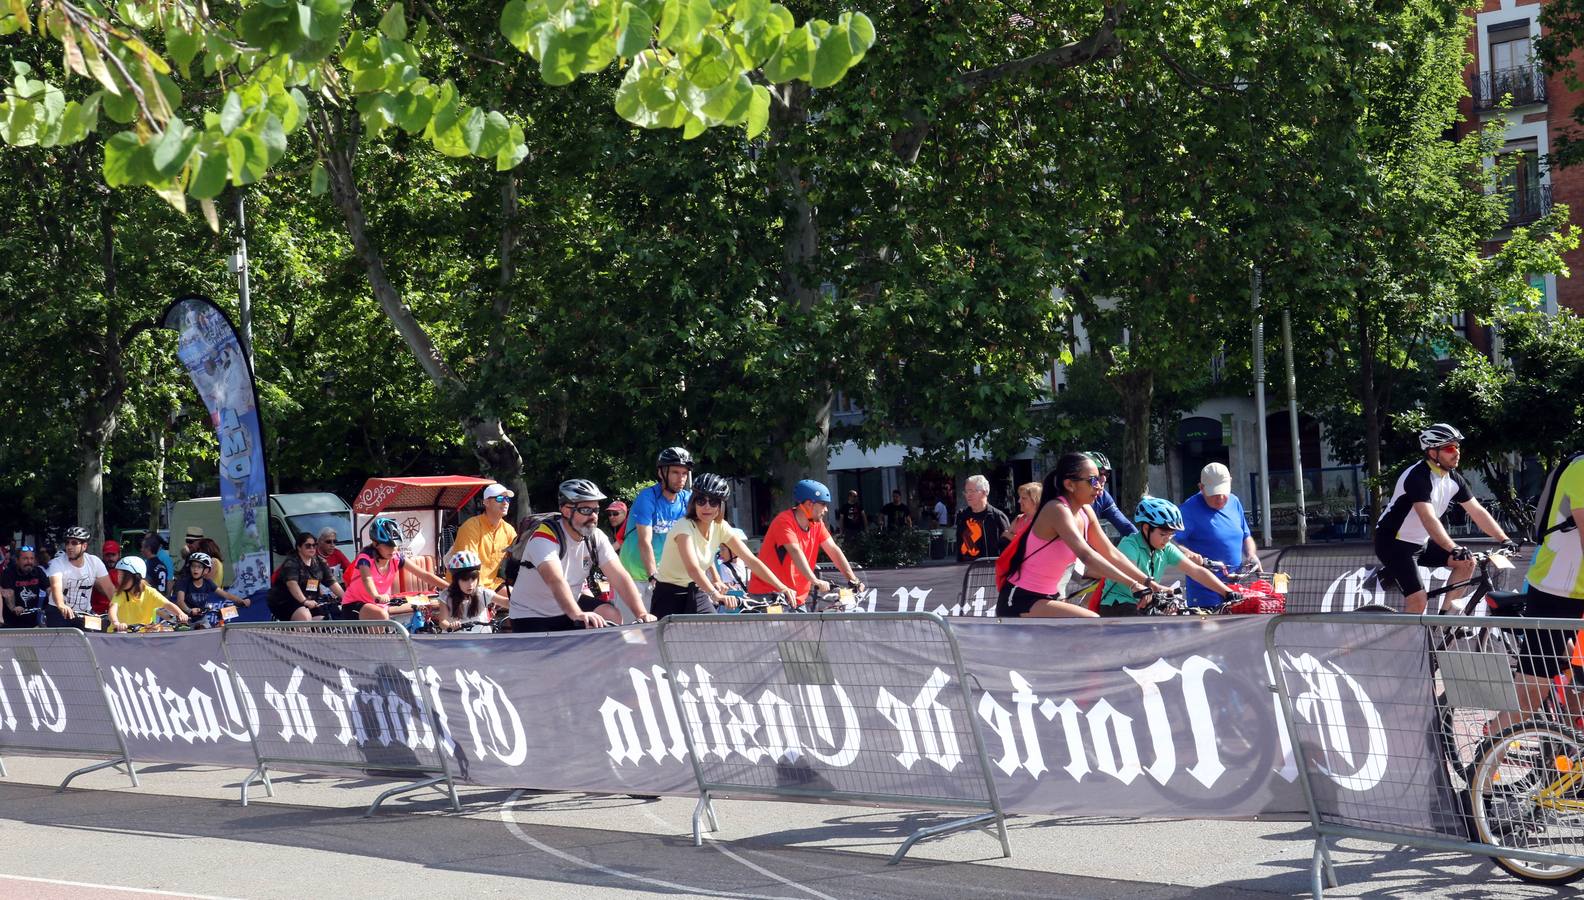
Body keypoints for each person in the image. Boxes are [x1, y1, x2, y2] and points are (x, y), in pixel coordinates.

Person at [1374, 424, 1516, 614]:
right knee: (1418, 600)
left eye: (1457, 447)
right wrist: (1453, 548)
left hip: (1420, 542)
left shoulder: (1454, 479)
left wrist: (1504, 539)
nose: (1456, 452)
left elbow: (1477, 511)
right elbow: (1428, 519)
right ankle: (1407, 643)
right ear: (1432, 452)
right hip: (1393, 542)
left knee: (1467, 562)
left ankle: (1445, 618)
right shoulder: (1417, 477)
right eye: (1450, 448)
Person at [997, 453, 1159, 619]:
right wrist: (1132, 584)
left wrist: (1150, 583)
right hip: (1021, 599)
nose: (1099, 486)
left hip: (1051, 596)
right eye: (1093, 480)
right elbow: (1087, 555)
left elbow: (1111, 553)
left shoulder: (1086, 511)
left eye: (1102, 478)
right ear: (1070, 485)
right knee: (1092, 622)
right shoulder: (1057, 509)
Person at [1497, 451, 1584, 732]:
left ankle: (1569, 759)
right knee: (1528, 699)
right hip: (1556, 592)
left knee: (1578, 685)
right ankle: (1485, 759)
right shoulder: (1581, 470)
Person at [509, 479, 654, 632]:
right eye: (586, 510)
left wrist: (642, 613)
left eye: (596, 510)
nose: (593, 516)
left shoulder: (595, 537)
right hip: (531, 615)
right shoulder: (544, 537)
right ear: (566, 510)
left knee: (610, 614)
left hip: (568, 606)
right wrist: (577, 614)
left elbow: (619, 576)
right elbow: (555, 580)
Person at [653, 473, 796, 616]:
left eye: (714, 502)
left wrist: (782, 587)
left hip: (695, 590)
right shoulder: (684, 527)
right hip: (668, 594)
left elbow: (751, 561)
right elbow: (693, 569)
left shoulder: (720, 526)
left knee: (715, 634)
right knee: (667, 638)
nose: (707, 507)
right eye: (701, 500)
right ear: (693, 503)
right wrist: (715, 594)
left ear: (721, 506)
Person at [1098, 498, 1241, 617]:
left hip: (1146, 604)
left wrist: (1226, 592)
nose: (1167, 539)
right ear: (1146, 528)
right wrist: (1152, 586)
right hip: (1118, 604)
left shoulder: (1165, 548)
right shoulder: (1129, 544)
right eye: (1163, 534)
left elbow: (1195, 571)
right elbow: (1128, 570)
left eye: (1171, 534)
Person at [749, 480, 866, 605]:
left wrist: (853, 580)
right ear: (809, 504)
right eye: (823, 504)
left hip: (795, 598)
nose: (826, 509)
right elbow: (795, 551)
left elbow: (833, 549)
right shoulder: (784, 521)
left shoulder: (816, 524)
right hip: (767, 595)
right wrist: (814, 580)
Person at [1177, 462, 1262, 609]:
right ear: (1201, 488)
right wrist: (1188, 553)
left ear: (1230, 481)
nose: (1220, 498)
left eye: (1224, 492)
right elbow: (1169, 542)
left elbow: (1245, 535)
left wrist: (1251, 554)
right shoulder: (1188, 510)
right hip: (1205, 594)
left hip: (1237, 588)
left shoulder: (1234, 502)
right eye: (1214, 494)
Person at [341, 516, 448, 621]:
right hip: (355, 604)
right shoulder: (365, 557)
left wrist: (451, 587)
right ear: (375, 543)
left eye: (396, 545)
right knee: (381, 616)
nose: (393, 549)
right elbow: (367, 579)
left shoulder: (396, 558)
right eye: (388, 545)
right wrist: (376, 595)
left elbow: (424, 575)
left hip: (379, 605)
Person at [620, 447, 694, 594]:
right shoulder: (647, 497)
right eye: (675, 472)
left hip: (665, 575)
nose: (681, 478)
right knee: (640, 618)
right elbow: (644, 541)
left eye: (684, 473)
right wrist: (653, 575)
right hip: (634, 575)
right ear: (661, 472)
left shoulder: (687, 499)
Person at [451, 483, 518, 595]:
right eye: (500, 498)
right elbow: (467, 568)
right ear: (486, 502)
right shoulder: (471, 526)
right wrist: (494, 599)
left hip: (491, 584)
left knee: (523, 600)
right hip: (465, 586)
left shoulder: (509, 530)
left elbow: (520, 556)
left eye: (507, 498)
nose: (505, 502)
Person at [46, 526, 114, 628]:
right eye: (67, 542)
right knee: (64, 642)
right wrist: (61, 605)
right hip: (59, 612)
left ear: (84, 546)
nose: (69, 547)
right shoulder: (57, 563)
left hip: (84, 613)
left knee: (97, 634)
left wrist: (119, 607)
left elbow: (109, 589)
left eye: (74, 543)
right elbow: (56, 587)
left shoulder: (94, 562)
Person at [267, 532, 345, 621]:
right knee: (305, 616)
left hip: (311, 601)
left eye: (314, 545)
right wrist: (304, 601)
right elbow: (292, 584)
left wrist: (346, 598)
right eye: (308, 546)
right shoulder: (291, 563)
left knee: (326, 619)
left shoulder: (320, 562)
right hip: (286, 601)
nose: (312, 548)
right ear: (299, 547)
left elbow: (332, 582)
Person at [107, 557, 188, 632]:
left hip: (143, 637)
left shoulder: (150, 592)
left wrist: (181, 614)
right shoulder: (120, 593)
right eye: (118, 575)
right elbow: (113, 609)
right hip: (120, 635)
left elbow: (167, 604)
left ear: (137, 577)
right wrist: (116, 623)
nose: (119, 579)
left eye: (123, 576)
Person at [432, 549, 505, 632]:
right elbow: (442, 622)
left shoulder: (483, 593)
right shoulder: (446, 596)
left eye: (473, 579)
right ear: (456, 581)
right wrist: (450, 626)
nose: (470, 584)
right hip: (456, 642)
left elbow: (508, 603)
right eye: (465, 580)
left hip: (482, 641)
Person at [175, 551, 248, 627]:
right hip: (185, 620)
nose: (195, 569)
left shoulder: (208, 582)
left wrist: (242, 601)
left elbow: (226, 595)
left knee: (211, 630)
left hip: (202, 619)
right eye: (193, 566)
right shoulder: (184, 582)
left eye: (199, 567)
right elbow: (180, 601)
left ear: (206, 570)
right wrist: (189, 610)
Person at [956, 475, 1012, 561]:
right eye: (966, 491)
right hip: (966, 569)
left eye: (972, 491)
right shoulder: (962, 517)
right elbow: (959, 548)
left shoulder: (997, 517)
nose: (968, 495)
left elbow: (1008, 548)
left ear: (984, 492)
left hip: (991, 570)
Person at [1085, 452, 1139, 540]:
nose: (1104, 479)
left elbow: (1126, 526)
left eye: (1106, 474)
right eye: (1098, 474)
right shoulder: (1064, 503)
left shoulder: (1103, 497)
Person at [1, 545, 49, 628]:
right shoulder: (9, 573)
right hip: (11, 623)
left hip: (32, 622)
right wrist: (14, 608)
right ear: (17, 560)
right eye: (25, 559)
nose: (29, 562)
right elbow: (9, 594)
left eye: (31, 558)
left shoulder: (38, 572)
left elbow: (49, 588)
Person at [91, 539, 123, 614]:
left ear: (119, 554)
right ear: (103, 555)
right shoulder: (96, 569)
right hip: (97, 612)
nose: (110, 558)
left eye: (113, 555)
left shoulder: (125, 571)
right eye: (107, 555)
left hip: (119, 611)